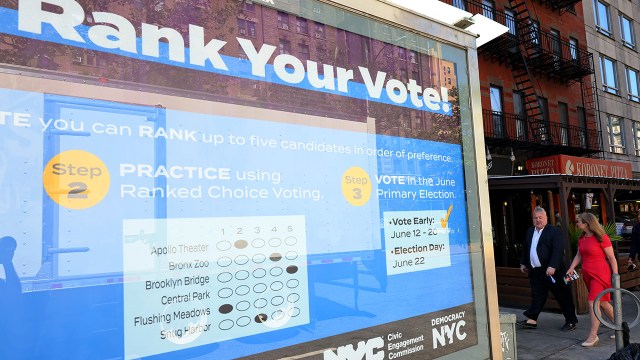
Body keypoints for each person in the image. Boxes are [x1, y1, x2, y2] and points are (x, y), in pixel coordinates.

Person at [517, 206, 578, 331]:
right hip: (536, 271)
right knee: (537, 295)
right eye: (535, 218)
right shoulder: (530, 231)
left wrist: (553, 266)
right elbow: (526, 248)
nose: (538, 220)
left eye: (540, 217)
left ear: (546, 218)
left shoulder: (554, 231)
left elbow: (558, 250)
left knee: (562, 295)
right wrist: (523, 263)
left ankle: (571, 321)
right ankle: (532, 320)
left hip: (553, 271)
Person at [566, 212, 618, 347]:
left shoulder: (602, 238)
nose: (577, 224)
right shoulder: (582, 238)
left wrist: (615, 275)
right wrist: (571, 268)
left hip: (600, 274)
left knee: (592, 302)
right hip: (588, 275)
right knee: (603, 303)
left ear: (587, 224)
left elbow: (612, 258)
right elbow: (578, 255)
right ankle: (621, 328)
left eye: (578, 222)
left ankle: (593, 336)